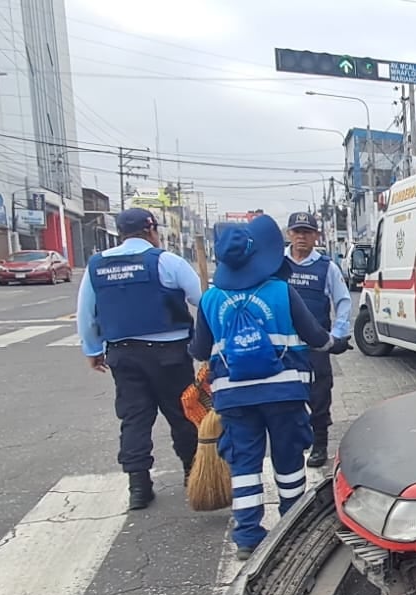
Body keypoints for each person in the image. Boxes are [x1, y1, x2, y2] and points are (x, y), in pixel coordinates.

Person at [188, 214, 350, 559]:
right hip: (284, 393)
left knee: (244, 464)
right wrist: (334, 343)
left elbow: (199, 350)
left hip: (233, 398)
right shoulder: (281, 290)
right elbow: (316, 337)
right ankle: (291, 526)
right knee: (289, 460)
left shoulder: (210, 299)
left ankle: (247, 536)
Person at [76, 208, 205, 511]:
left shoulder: (96, 266)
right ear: (151, 230)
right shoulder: (166, 261)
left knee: (134, 419)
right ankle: (193, 473)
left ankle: (139, 486)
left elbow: (86, 313)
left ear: (121, 233)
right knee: (183, 415)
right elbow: (202, 299)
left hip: (124, 354)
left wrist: (93, 351)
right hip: (170, 354)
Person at [282, 212, 353, 468]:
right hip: (283, 347)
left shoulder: (326, 267)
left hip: (316, 345)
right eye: (297, 231)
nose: (301, 237)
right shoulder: (276, 264)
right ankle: (292, 443)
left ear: (315, 236)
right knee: (286, 398)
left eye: (307, 232)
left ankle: (319, 445)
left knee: (320, 396)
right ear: (289, 234)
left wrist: (337, 335)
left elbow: (343, 301)